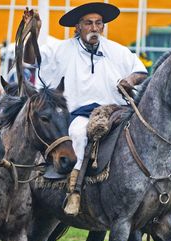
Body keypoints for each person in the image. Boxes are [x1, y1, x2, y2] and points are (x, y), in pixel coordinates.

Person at [23, 3, 147, 215]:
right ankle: (75, 192)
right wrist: (33, 33)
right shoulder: (61, 49)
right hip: (77, 114)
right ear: (77, 27)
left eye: (99, 23)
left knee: (145, 134)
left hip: (115, 112)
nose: (95, 28)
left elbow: (141, 72)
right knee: (78, 134)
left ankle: (162, 191)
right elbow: (29, 59)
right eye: (88, 23)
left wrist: (130, 79)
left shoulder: (116, 50)